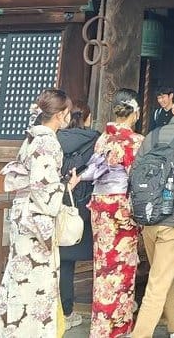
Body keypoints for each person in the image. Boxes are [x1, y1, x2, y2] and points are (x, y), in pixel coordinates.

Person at [0, 88, 80, 337]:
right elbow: (44, 189)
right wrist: (65, 186)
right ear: (60, 114)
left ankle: (10, 329)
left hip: (24, 215)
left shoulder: (32, 138)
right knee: (36, 281)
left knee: (20, 278)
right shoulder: (47, 142)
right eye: (67, 112)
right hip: (36, 221)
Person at [133, 89, 174, 338]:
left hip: (148, 219)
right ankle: (140, 334)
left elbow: (135, 172)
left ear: (173, 108)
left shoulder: (151, 136)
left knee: (162, 274)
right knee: (158, 282)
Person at [79, 90, 145, 338]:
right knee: (122, 269)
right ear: (135, 113)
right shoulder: (136, 141)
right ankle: (117, 328)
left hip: (100, 205)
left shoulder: (103, 139)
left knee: (104, 267)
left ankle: (100, 327)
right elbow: (137, 179)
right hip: (121, 208)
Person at [56, 99, 100, 328]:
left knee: (60, 261)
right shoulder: (96, 139)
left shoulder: (53, 137)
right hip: (84, 205)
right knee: (101, 257)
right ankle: (104, 309)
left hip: (56, 201)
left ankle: (63, 311)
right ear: (88, 117)